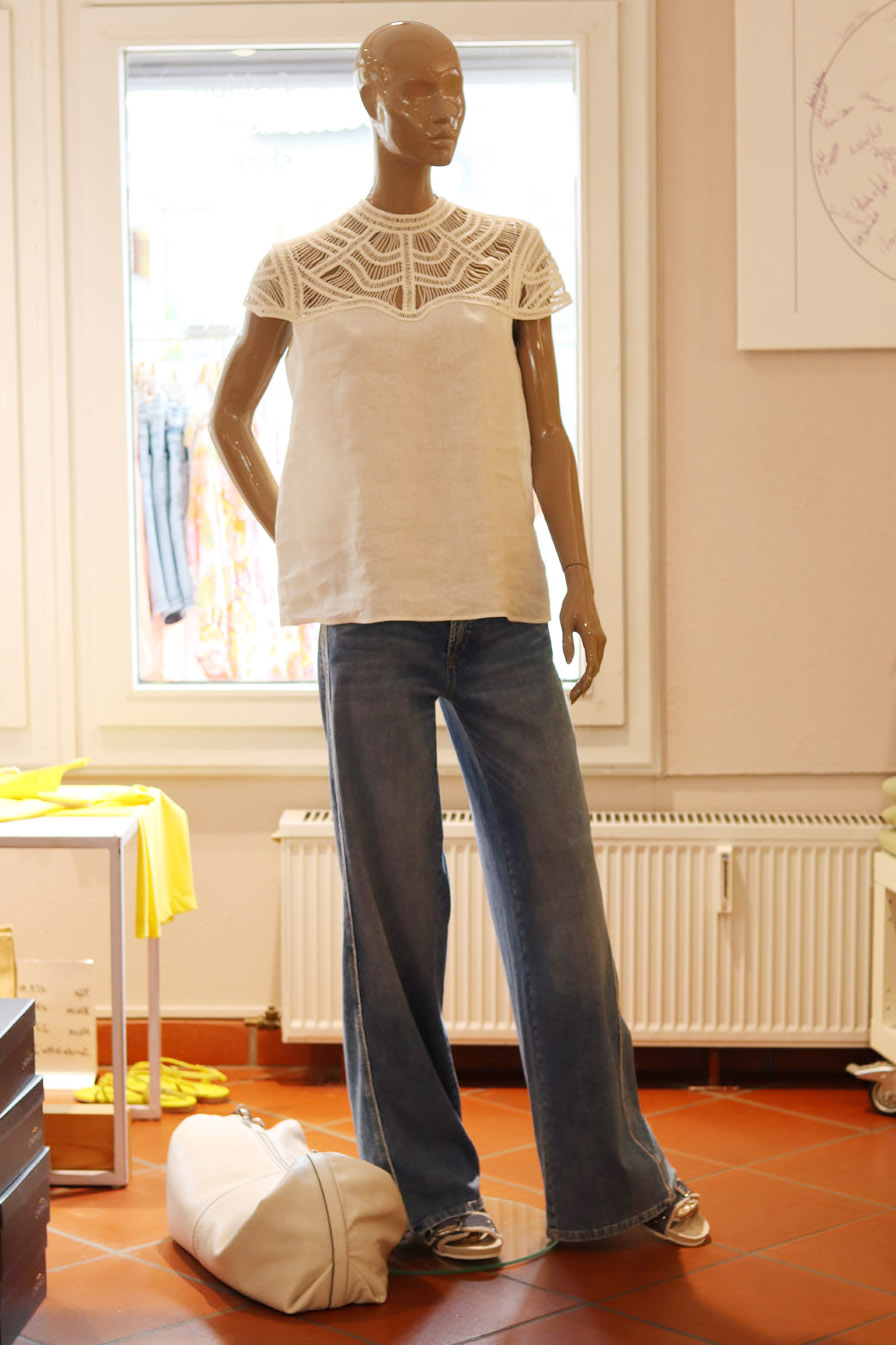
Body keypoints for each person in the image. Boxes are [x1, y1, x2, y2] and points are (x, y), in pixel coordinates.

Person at [210, 20, 710, 1261]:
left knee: (557, 901)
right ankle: (429, 1195)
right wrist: (312, 550)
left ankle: (610, 1180)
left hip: (501, 612)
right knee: (392, 913)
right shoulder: (299, 267)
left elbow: (545, 434)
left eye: (457, 86)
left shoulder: (509, 253)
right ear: (367, 95)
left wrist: (579, 578)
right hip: (366, 628)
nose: (445, 106)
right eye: (420, 86)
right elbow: (227, 420)